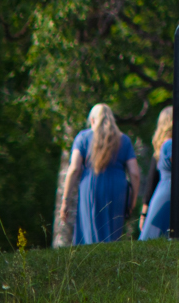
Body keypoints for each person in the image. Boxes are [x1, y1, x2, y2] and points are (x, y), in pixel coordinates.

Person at [60, 104, 140, 245]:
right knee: (113, 234)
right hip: (118, 188)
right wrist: (132, 200)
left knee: (90, 233)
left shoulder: (83, 137)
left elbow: (74, 169)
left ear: (92, 120)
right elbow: (134, 173)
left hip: (91, 186)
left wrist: (65, 200)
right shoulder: (125, 140)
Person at [138, 106, 179, 240]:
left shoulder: (169, 144)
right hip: (171, 193)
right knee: (158, 237)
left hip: (171, 190)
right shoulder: (171, 145)